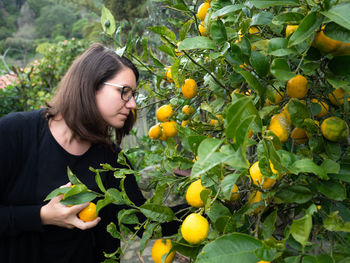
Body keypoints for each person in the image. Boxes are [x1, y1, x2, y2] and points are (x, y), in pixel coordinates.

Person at [0, 43, 182, 263]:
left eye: (133, 94)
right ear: (91, 85)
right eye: (124, 91)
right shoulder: (15, 133)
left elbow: (142, 223)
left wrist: (203, 202)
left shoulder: (111, 159)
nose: (132, 103)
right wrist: (42, 216)